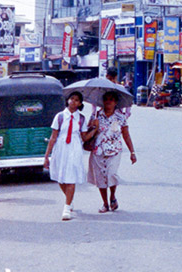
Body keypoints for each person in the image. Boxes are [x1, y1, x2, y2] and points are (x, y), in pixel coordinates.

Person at [43, 92, 96, 221]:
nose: (73, 102)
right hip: (61, 148)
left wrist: (95, 130)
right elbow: (53, 136)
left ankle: (67, 208)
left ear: (80, 104)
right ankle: (69, 199)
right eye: (72, 99)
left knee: (71, 176)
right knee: (61, 178)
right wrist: (46, 156)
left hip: (74, 148)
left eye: (77, 100)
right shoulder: (60, 117)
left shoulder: (81, 119)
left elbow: (84, 137)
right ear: (67, 100)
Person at [87, 91, 136, 213]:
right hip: (98, 150)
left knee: (112, 174)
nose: (108, 102)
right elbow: (87, 133)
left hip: (114, 150)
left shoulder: (120, 117)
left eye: (111, 100)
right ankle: (105, 203)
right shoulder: (96, 115)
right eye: (106, 99)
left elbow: (126, 134)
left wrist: (132, 152)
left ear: (115, 103)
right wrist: (94, 126)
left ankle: (112, 196)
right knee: (100, 177)